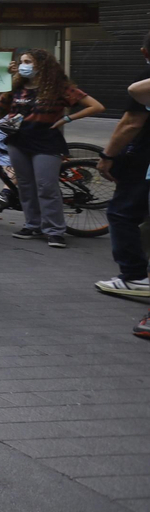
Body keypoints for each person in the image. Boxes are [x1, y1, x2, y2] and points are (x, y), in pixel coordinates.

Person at [0, 48, 103, 247]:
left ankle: (55, 231)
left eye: (28, 62)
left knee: (47, 187)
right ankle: (33, 225)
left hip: (47, 143)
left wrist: (67, 118)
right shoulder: (14, 88)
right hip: (18, 142)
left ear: (42, 65)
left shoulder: (59, 88)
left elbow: (96, 106)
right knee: (26, 186)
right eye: (21, 62)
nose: (23, 66)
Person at [96, 31, 150, 320]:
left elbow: (131, 122)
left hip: (143, 160)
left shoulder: (145, 81)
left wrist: (108, 156)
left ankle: (134, 275)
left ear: (144, 52)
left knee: (122, 212)